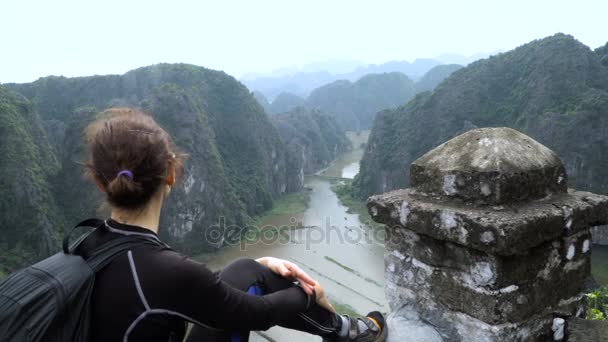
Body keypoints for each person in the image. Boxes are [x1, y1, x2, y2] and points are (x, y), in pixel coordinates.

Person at [76, 107, 388, 342]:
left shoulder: (81, 248)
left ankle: (344, 331)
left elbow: (170, 288)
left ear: (98, 181)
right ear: (171, 173)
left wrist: (261, 262)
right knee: (251, 278)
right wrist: (308, 293)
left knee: (244, 268)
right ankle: (347, 333)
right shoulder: (165, 270)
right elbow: (259, 314)